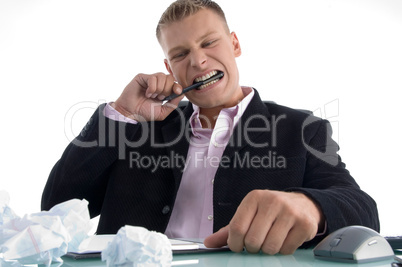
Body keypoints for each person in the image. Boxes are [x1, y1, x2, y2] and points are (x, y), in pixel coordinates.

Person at [41, 0, 379, 255]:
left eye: (208, 43)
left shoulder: (301, 128)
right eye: (180, 53)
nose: (198, 61)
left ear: (235, 44)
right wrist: (121, 113)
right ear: (169, 66)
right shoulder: (137, 125)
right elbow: (56, 205)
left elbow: (362, 210)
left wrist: (312, 207)